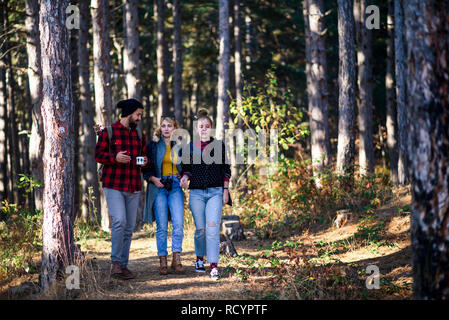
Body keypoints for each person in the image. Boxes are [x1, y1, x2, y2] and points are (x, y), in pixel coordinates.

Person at [95, 98, 148, 280]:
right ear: (128, 113)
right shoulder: (108, 132)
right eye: (138, 114)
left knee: (128, 228)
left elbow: (143, 158)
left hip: (134, 185)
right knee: (119, 221)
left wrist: (144, 161)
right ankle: (115, 263)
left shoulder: (139, 135)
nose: (140, 118)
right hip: (114, 185)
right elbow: (98, 155)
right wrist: (114, 157)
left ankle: (123, 266)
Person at [180, 109, 231, 280]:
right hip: (196, 194)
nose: (203, 129)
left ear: (211, 128)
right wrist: (185, 177)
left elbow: (226, 170)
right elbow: (186, 169)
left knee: (212, 228)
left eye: (207, 126)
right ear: (196, 128)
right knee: (201, 229)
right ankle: (199, 259)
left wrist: (225, 190)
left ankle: (214, 266)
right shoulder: (189, 147)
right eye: (201, 126)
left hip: (215, 192)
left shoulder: (219, 146)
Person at [142, 115, 185, 275]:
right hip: (158, 186)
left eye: (170, 126)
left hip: (175, 185)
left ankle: (177, 258)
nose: (166, 128)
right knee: (161, 226)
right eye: (164, 126)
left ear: (175, 128)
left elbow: (187, 165)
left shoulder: (180, 145)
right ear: (160, 128)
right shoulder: (152, 146)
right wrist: (153, 178)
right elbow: (145, 166)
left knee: (178, 223)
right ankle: (163, 260)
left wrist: (184, 175)